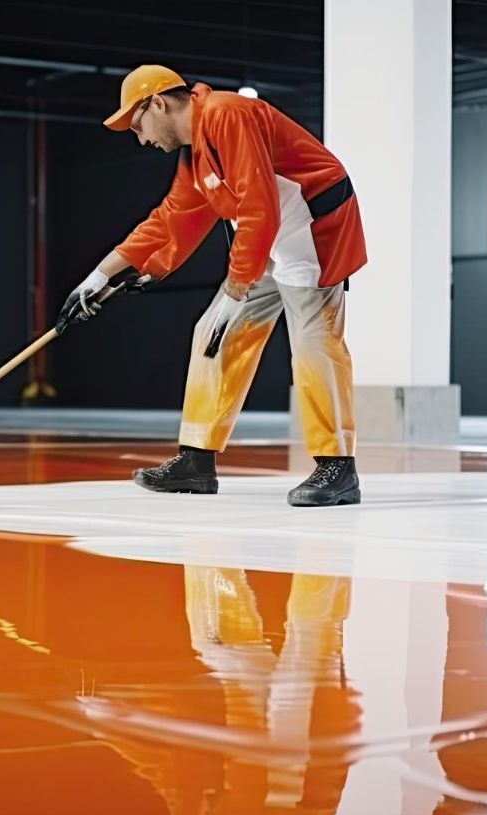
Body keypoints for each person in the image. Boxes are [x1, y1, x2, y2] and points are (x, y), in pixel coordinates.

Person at [57, 65, 368, 507]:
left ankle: (337, 466)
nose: (140, 138)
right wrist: (99, 276)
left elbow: (260, 206)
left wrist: (237, 288)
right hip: (266, 237)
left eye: (137, 124)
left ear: (159, 103)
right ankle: (196, 460)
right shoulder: (196, 151)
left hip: (314, 227)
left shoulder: (226, 114)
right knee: (213, 334)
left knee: (314, 341)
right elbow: (170, 219)